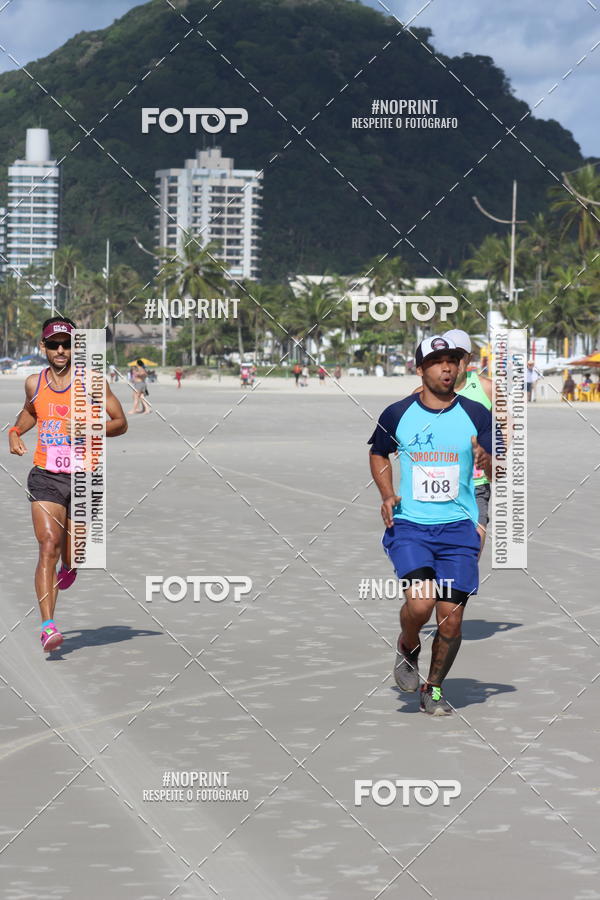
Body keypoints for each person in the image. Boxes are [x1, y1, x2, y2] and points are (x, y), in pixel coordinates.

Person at [369, 335, 492, 715]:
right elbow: (378, 453)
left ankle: (433, 690)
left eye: (453, 361)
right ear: (420, 369)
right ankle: (408, 646)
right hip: (411, 525)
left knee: (451, 621)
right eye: (437, 362)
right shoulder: (397, 413)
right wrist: (387, 493)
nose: (447, 368)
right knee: (421, 604)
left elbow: (496, 467)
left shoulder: (476, 413)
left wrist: (488, 461)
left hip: (459, 527)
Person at [8, 316, 128, 653]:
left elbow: (120, 422)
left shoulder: (92, 382)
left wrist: (91, 429)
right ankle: (48, 626)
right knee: (48, 544)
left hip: (82, 478)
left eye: (67, 344)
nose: (60, 350)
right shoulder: (35, 382)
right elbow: (31, 412)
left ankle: (71, 566)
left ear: (76, 347)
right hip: (45, 474)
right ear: (43, 348)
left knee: (74, 553)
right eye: (53, 344)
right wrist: (15, 431)